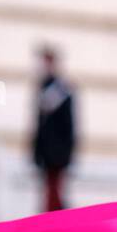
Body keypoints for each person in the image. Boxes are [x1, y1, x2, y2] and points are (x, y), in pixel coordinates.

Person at [32, 46, 76, 211]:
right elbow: (39, 125)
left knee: (55, 193)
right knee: (49, 192)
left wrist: (65, 153)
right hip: (46, 153)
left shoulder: (61, 89)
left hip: (58, 153)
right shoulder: (43, 86)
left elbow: (68, 124)